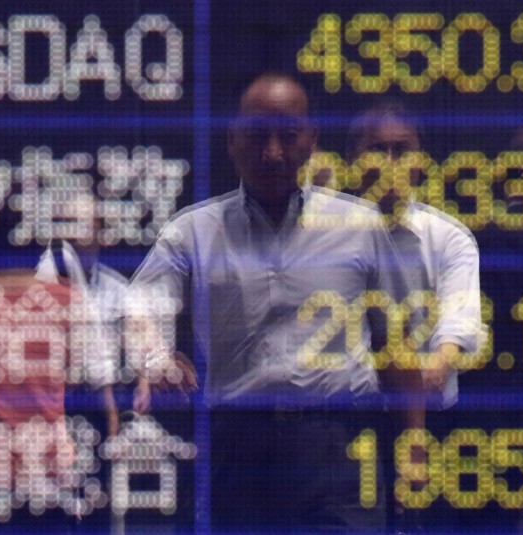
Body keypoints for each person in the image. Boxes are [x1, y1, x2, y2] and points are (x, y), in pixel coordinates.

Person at [129, 73, 418, 531]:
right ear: (231, 140)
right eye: (257, 135)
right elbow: (140, 306)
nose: (272, 153)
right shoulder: (194, 232)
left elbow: (396, 350)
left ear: (311, 141)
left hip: (339, 447)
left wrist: (412, 452)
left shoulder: (360, 226)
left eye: (288, 136)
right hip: (239, 449)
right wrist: (155, 357)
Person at [346, 100, 484, 410]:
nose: (391, 162)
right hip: (350, 416)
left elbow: (458, 322)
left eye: (403, 151)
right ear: (352, 159)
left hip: (430, 410)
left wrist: (436, 367)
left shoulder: (450, 238)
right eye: (378, 150)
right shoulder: (325, 235)